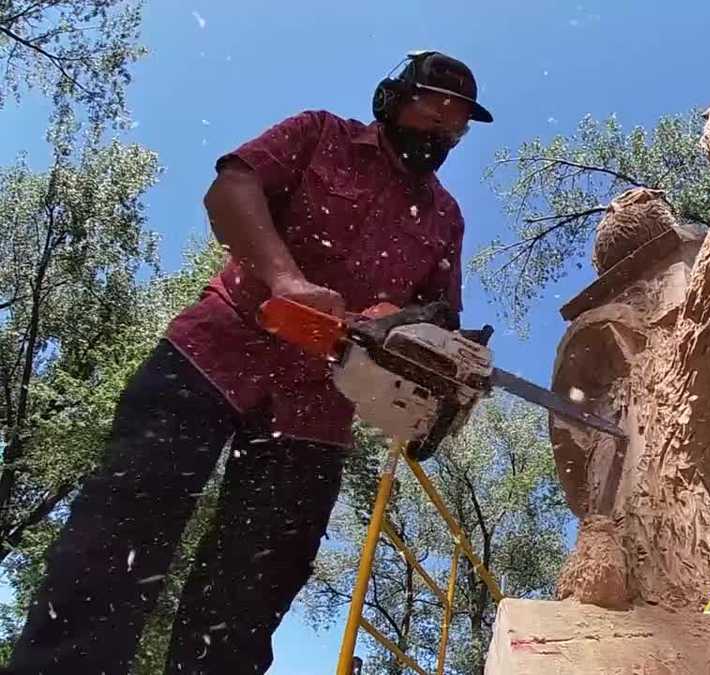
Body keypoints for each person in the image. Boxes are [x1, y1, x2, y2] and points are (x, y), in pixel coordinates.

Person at [2, 50, 491, 674]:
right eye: (435, 106)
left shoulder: (445, 217)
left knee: (247, 598)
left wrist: (406, 330)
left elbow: (437, 321)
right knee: (119, 534)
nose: (445, 126)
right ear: (393, 99)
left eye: (457, 121)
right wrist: (285, 279)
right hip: (214, 354)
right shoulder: (321, 134)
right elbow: (232, 188)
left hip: (319, 413)